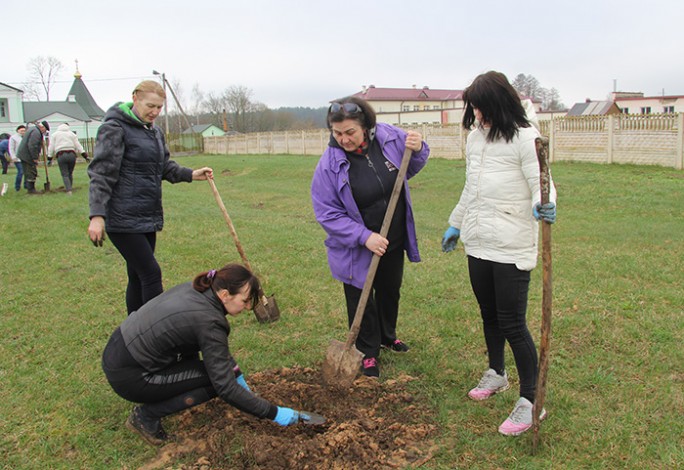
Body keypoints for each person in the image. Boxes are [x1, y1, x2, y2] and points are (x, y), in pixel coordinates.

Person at [440, 71, 557, 437]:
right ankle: (496, 373)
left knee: (512, 323)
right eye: (473, 108)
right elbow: (470, 187)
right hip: (478, 242)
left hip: (510, 245)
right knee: (489, 315)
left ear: (500, 104)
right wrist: (456, 223)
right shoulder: (476, 139)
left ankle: (531, 401)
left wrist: (545, 204)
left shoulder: (526, 138)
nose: (477, 114)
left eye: (482, 107)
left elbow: (544, 183)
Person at [102, 264, 305, 446]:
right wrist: (275, 413)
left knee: (219, 372)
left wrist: (237, 374)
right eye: (244, 301)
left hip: (118, 351)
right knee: (215, 382)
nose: (247, 307)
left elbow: (209, 348)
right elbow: (225, 386)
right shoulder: (210, 322)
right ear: (225, 294)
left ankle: (171, 395)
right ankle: (145, 416)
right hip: (132, 376)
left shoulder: (196, 290)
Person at [311, 97, 429, 378]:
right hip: (356, 246)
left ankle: (387, 336)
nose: (344, 139)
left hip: (394, 235)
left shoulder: (389, 137)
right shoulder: (329, 165)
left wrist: (419, 147)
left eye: (350, 132)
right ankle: (367, 351)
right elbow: (327, 213)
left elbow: (410, 165)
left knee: (390, 289)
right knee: (361, 297)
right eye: (337, 133)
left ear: (366, 126)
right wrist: (364, 237)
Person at [87, 80, 213, 314]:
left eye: (159, 108)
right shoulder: (114, 128)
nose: (154, 112)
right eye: (150, 106)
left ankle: (134, 332)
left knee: (137, 275)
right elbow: (101, 172)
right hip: (121, 217)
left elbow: (163, 166)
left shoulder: (153, 131)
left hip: (146, 215)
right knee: (151, 274)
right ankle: (157, 333)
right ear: (135, 98)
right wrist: (97, 215)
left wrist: (191, 174)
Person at [47, 123, 88, 195]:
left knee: (64, 174)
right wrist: (85, 155)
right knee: (70, 173)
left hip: (61, 154)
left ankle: (69, 190)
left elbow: (51, 146)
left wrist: (49, 158)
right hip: (72, 154)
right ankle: (70, 187)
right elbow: (78, 145)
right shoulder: (72, 134)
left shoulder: (55, 134)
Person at [16, 121, 49, 194]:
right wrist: (35, 158)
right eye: (45, 130)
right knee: (31, 172)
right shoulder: (36, 132)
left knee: (28, 172)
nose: (44, 132)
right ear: (42, 127)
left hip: (24, 154)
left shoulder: (33, 129)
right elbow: (33, 145)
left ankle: (30, 189)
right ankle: (31, 190)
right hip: (27, 156)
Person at [9, 125, 27, 192]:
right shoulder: (13, 138)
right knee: (21, 172)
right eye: (21, 131)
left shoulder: (26, 137)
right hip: (17, 158)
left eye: (24, 131)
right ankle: (17, 186)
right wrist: (13, 157)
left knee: (26, 172)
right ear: (18, 130)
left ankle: (26, 185)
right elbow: (11, 148)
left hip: (25, 158)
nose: (23, 132)